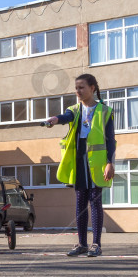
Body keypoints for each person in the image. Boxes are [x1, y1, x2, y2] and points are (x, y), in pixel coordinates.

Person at [45, 73, 115, 257]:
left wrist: (110, 163)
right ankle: (82, 243)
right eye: (76, 88)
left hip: (97, 162)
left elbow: (111, 141)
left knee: (95, 200)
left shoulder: (105, 111)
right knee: (80, 202)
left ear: (92, 88)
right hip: (78, 159)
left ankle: (96, 244)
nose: (78, 91)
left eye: (82, 87)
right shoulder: (75, 110)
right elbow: (65, 116)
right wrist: (55, 119)